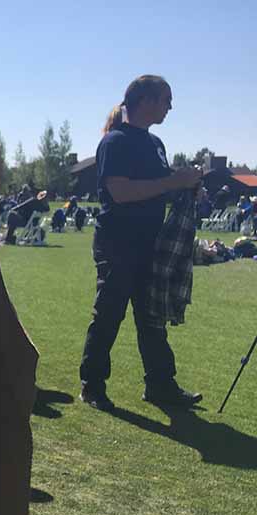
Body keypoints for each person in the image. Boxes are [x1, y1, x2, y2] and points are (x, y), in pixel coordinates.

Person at [78, 75, 203, 410]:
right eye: (166, 99)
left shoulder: (155, 144)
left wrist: (185, 185)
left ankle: (160, 384)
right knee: (109, 313)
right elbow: (121, 192)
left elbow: (158, 185)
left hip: (150, 242)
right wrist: (171, 182)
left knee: (152, 317)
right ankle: (93, 384)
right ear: (145, 100)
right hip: (117, 242)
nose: (170, 107)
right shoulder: (115, 142)